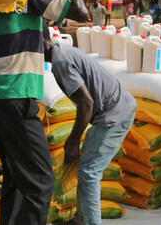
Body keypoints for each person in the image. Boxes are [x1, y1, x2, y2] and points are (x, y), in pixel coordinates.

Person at [0, 0, 89, 224]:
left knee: (17, 179)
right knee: (40, 181)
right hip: (17, 95)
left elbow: (44, 36)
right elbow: (81, 12)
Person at [43, 28, 137, 225]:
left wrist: (73, 141)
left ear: (40, 43)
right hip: (112, 110)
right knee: (86, 166)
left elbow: (87, 103)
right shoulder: (62, 51)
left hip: (115, 114)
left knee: (89, 172)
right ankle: (81, 220)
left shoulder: (61, 62)